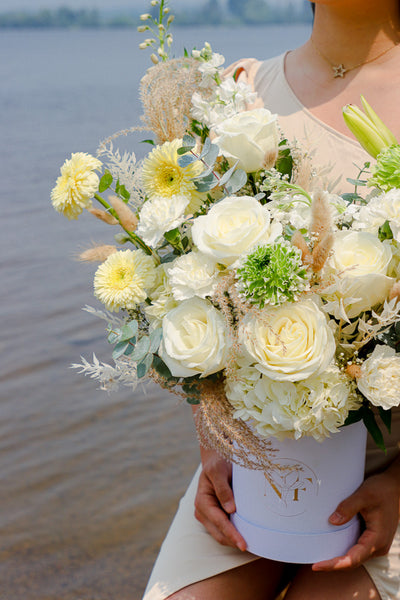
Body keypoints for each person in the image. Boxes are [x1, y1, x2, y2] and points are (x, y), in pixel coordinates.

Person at [143, 1, 400, 598]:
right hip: (255, 465)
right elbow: (191, 282)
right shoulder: (241, 90)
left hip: (389, 474)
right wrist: (214, 443)